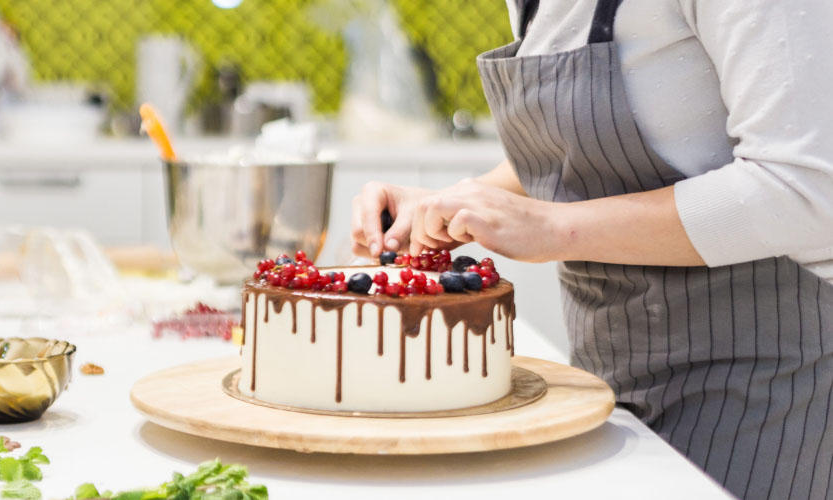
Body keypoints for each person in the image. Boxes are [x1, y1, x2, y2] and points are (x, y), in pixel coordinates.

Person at [350, 0, 833, 498]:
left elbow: (807, 191)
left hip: (760, 389)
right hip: (604, 381)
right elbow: (592, 146)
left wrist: (555, 227)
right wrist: (447, 205)